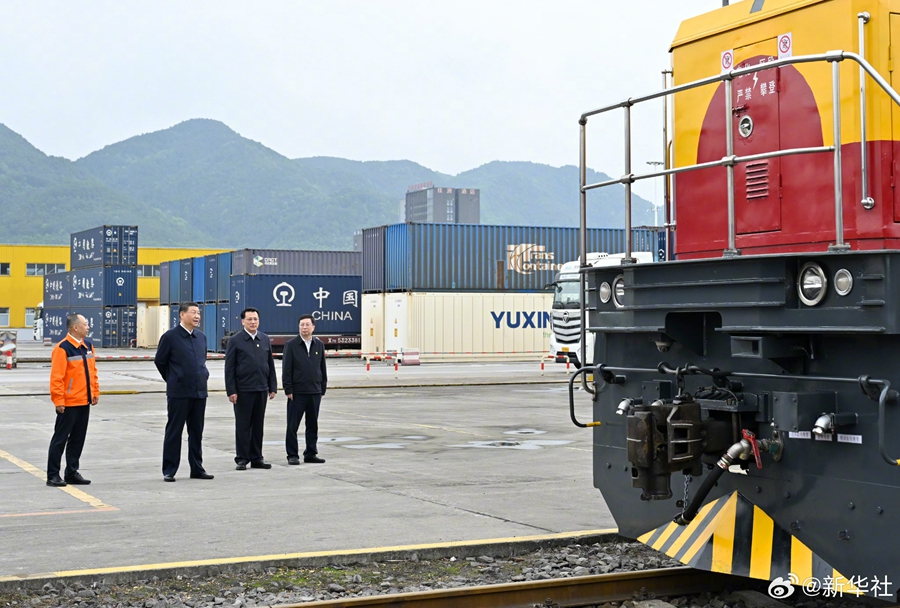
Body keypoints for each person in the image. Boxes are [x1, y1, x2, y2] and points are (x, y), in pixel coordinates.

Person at [154, 302, 214, 482]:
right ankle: (169, 469)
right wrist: (174, 378)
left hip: (199, 392)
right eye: (193, 312)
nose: (197, 316)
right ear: (181, 314)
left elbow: (202, 360)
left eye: (198, 313)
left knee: (196, 432)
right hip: (179, 393)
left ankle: (197, 468)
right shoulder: (170, 337)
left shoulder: (201, 337)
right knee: (174, 431)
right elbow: (160, 361)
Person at [46, 313, 99, 487]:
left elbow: (93, 372)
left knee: (78, 439)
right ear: (75, 327)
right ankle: (53, 475)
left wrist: (95, 392)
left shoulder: (88, 346)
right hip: (68, 403)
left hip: (84, 401)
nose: (88, 327)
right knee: (60, 439)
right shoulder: (62, 348)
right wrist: (58, 400)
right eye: (85, 324)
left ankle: (71, 472)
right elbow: (57, 378)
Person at [224, 307, 277, 470]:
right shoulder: (235, 341)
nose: (253, 322)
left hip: (261, 389)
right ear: (243, 321)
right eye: (249, 319)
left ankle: (257, 457)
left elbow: (270, 364)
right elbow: (229, 368)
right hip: (243, 390)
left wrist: (272, 386)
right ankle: (242, 458)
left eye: (255, 319)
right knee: (243, 425)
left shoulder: (264, 339)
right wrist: (231, 390)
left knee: (258, 425)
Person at [282, 314, 327, 464]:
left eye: (307, 324)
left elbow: (322, 367)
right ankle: (292, 455)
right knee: (292, 426)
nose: (304, 327)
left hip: (315, 391)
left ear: (313, 327)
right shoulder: (291, 345)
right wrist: (288, 389)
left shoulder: (319, 344)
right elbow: (287, 369)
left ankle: (311, 453)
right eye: (302, 325)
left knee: (312, 424)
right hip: (297, 393)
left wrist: (322, 388)